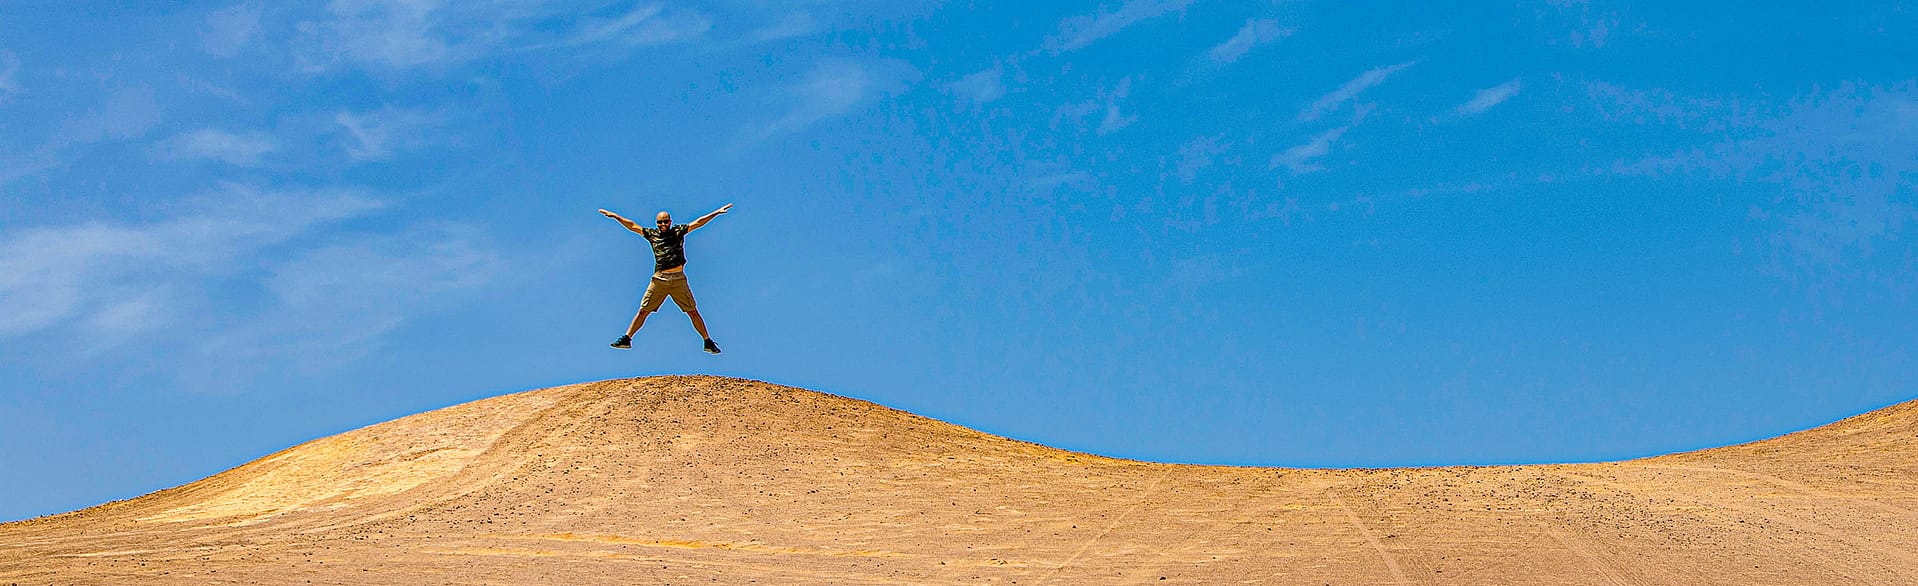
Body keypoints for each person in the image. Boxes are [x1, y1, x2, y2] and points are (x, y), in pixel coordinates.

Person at [599, 203, 732, 354]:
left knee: (692, 311)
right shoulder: (652, 234)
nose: (662, 224)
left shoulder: (678, 232)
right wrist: (616, 216)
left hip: (678, 279)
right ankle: (627, 338)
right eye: (660, 222)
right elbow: (632, 226)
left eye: (665, 221)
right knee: (643, 310)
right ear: (656, 223)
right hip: (659, 279)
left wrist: (716, 212)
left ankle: (707, 342)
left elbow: (698, 223)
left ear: (670, 222)